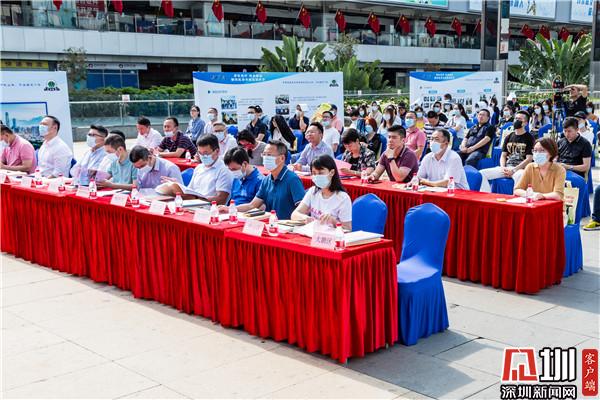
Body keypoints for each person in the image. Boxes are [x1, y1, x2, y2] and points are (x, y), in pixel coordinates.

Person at [234, 140, 305, 220]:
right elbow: (252, 205)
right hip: (271, 224)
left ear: (282, 158)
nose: (265, 158)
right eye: (264, 154)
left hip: (287, 225)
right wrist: (231, 209)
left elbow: (302, 210)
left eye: (269, 155)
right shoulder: (267, 179)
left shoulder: (293, 180)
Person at [291, 154, 352, 230]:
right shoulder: (313, 191)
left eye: (320, 173)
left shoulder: (343, 198)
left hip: (331, 235)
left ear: (332, 172)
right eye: (314, 173)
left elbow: (347, 228)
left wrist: (333, 221)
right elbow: (294, 214)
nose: (317, 176)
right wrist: (305, 218)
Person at [479, 111, 534, 192]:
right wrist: (503, 167)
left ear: (525, 123)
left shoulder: (529, 138)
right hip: (506, 167)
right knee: (481, 174)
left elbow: (529, 159)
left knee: (521, 175)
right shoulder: (509, 136)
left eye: (519, 119)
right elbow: (503, 155)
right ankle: (487, 195)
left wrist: (514, 170)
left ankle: (516, 197)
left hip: (519, 169)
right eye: (516, 118)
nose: (516, 121)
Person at [183, 134, 232, 204]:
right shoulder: (199, 168)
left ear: (217, 151)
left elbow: (221, 199)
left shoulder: (224, 170)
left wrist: (197, 199)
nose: (203, 156)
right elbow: (189, 191)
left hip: (210, 207)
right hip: (193, 204)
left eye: (206, 153)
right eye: (200, 153)